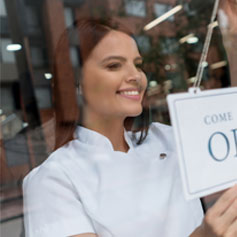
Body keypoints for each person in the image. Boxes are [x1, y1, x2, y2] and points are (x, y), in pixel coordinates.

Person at [23, 1, 237, 236]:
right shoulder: (53, 179)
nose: (135, 76)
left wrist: (231, 39)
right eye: (114, 65)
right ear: (76, 83)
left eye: (137, 65)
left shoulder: (166, 138)